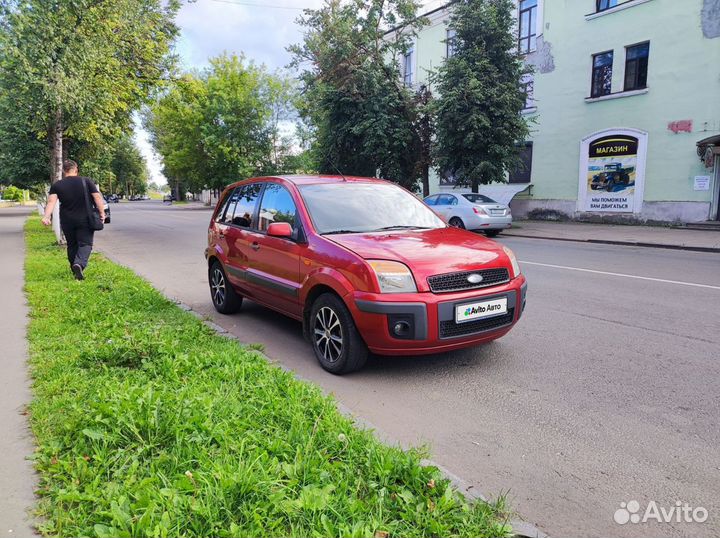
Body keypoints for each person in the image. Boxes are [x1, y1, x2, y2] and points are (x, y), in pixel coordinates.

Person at [41, 160, 106, 280]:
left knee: (72, 245)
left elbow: (51, 202)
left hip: (67, 220)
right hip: (85, 219)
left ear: (63, 171)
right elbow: (97, 197)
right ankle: (79, 264)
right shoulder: (86, 181)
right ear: (76, 169)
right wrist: (102, 213)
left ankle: (74, 269)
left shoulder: (57, 185)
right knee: (85, 244)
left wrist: (46, 216)